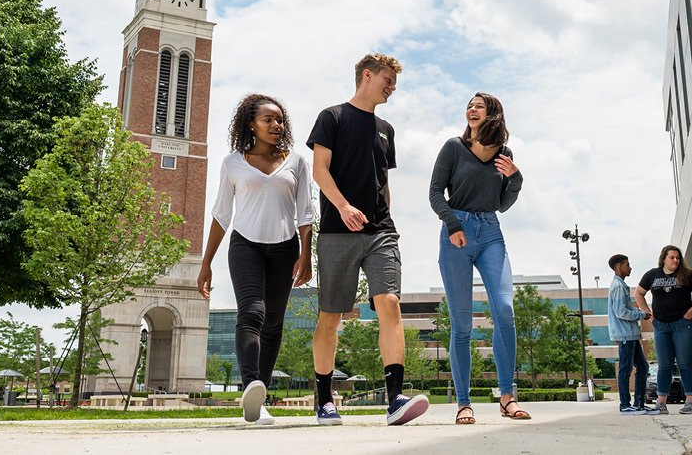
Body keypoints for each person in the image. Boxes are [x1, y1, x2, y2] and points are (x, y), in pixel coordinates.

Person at [306, 53, 429, 426]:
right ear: (367, 75)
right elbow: (319, 170)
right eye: (387, 80)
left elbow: (383, 181)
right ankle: (324, 400)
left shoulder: (386, 130)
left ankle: (395, 399)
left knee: (389, 302)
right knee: (330, 316)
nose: (392, 88)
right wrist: (343, 207)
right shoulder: (332, 117)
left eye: (395, 83)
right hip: (338, 231)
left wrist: (385, 218)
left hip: (380, 232)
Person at [197, 94, 314, 426]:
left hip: (285, 248)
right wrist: (205, 264)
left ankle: (257, 402)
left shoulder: (296, 162)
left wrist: (307, 254)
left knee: (274, 323)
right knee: (252, 311)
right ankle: (251, 385)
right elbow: (221, 214)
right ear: (251, 123)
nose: (276, 125)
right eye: (268, 120)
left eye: (279, 120)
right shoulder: (232, 163)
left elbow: (306, 213)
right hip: (245, 245)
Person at [429, 92, 528, 425]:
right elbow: (434, 193)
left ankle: (507, 396)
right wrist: (453, 224)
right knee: (462, 323)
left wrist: (515, 178)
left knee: (505, 309)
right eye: (469, 105)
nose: (471, 109)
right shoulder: (453, 147)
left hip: (490, 232)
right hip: (456, 232)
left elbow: (502, 203)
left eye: (479, 106)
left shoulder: (504, 153)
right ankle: (464, 403)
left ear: (492, 115)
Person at [633, 245, 692, 414]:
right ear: (663, 259)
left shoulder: (688, 275)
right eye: (672, 257)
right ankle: (661, 404)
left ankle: (691, 403)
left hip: (683, 325)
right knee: (664, 365)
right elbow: (638, 293)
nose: (675, 260)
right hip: (660, 325)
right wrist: (648, 313)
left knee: (684, 363)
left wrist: (690, 312)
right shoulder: (652, 274)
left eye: (677, 257)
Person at [607, 254, 654, 415]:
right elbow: (621, 312)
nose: (630, 267)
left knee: (642, 366)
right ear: (619, 266)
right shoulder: (618, 286)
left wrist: (640, 312)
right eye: (627, 264)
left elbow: (626, 309)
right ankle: (625, 405)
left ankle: (639, 404)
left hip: (631, 335)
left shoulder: (620, 285)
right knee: (625, 369)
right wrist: (641, 315)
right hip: (625, 334)